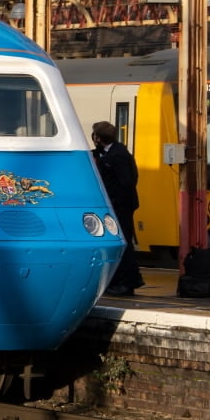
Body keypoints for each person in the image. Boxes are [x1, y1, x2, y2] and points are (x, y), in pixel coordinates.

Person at [92, 121, 145, 296]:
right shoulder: (112, 152)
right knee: (121, 242)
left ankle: (128, 281)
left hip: (120, 206)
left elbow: (127, 182)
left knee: (123, 243)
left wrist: (113, 198)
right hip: (117, 205)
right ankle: (122, 279)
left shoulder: (118, 155)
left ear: (98, 138)